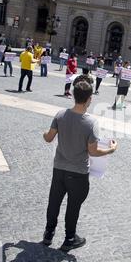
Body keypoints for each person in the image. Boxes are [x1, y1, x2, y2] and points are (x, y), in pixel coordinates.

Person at [42, 77, 118, 252]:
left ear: (73, 96)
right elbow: (93, 151)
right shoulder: (91, 123)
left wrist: (43, 133)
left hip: (59, 169)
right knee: (73, 206)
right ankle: (69, 238)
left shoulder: (60, 115)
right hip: (78, 173)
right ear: (89, 99)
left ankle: (48, 233)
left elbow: (48, 138)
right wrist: (110, 150)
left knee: (54, 201)